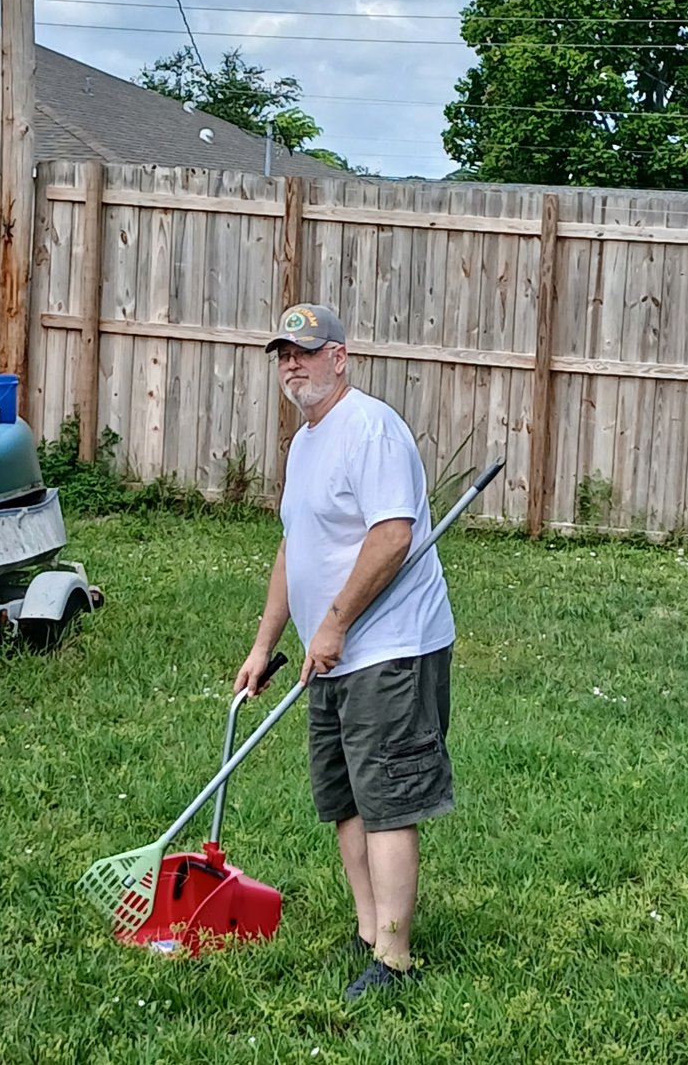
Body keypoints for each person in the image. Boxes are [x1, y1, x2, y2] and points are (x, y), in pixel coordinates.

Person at [233, 303, 455, 1001]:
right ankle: (367, 932)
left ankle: (395, 961)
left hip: (387, 646)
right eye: (282, 354)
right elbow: (292, 546)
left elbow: (392, 536)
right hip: (329, 651)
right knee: (346, 798)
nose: (292, 364)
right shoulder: (305, 443)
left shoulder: (371, 428)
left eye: (305, 350)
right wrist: (266, 643)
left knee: (386, 796)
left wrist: (330, 623)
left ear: (341, 356)